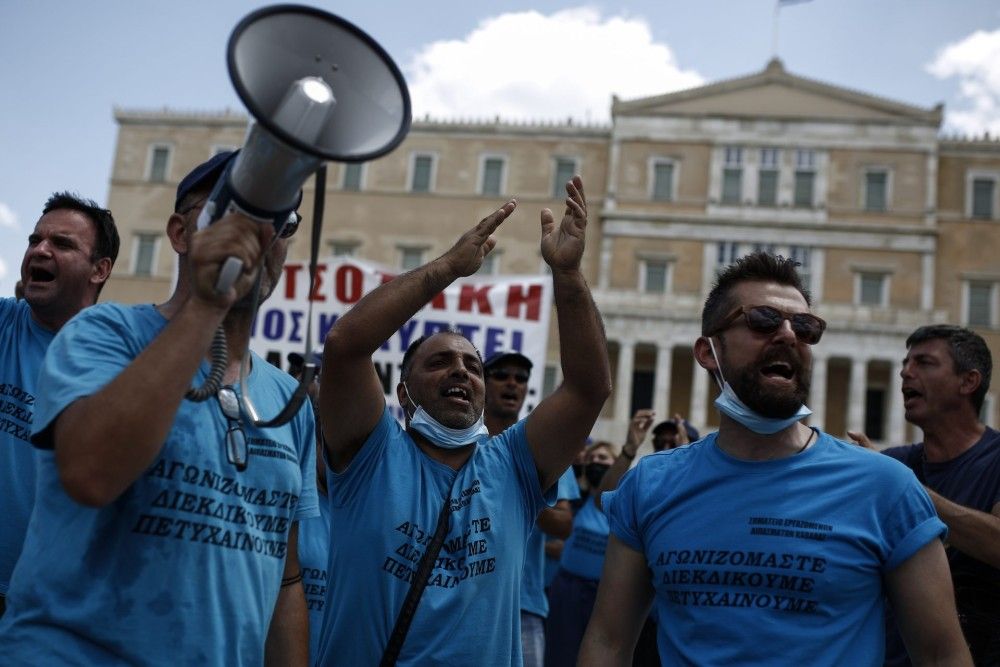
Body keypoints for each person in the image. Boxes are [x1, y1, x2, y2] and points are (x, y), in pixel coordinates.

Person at [0, 152, 318, 665]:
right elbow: (91, 472)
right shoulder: (101, 335)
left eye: (280, 223)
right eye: (232, 214)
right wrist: (209, 303)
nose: (260, 237)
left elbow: (285, 580)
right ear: (179, 233)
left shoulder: (288, 402)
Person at [579, 251, 972, 666]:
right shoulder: (650, 485)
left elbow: (941, 655)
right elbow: (608, 642)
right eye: (762, 320)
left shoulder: (887, 487)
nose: (788, 335)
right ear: (708, 352)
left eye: (805, 327)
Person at [316, 176, 611, 665]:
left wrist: (568, 274)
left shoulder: (513, 464)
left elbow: (588, 389)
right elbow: (346, 346)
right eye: (438, 362)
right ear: (403, 392)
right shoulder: (370, 452)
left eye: (473, 365)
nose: (461, 370)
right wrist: (449, 268)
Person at [850, 325, 999, 665]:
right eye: (905, 363)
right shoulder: (893, 463)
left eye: (924, 362)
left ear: (968, 382)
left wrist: (904, 488)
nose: (905, 372)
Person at [0, 192, 119, 616]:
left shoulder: (121, 368)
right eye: (35, 239)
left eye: (62, 244)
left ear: (99, 270)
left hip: (46, 610)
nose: (40, 250)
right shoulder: (4, 324)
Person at [482, 349, 580, 667]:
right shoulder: (460, 443)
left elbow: (563, 525)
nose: (512, 384)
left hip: (522, 607)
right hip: (464, 599)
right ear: (482, 382)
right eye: (501, 375)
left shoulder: (543, 449)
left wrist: (524, 490)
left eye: (520, 378)